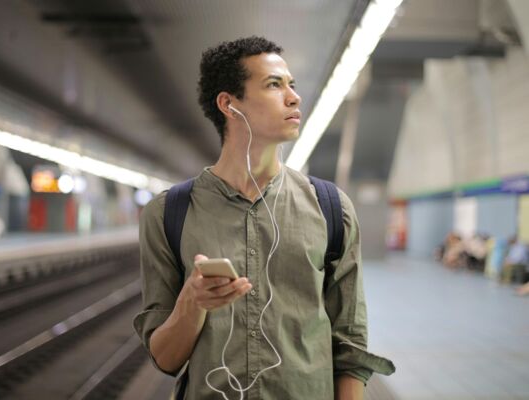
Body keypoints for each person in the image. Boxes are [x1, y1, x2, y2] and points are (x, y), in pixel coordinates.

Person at [133, 36, 394, 400]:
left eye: (292, 85)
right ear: (229, 104)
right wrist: (192, 302)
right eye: (274, 85)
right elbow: (164, 357)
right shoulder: (168, 213)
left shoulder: (331, 207)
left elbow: (350, 345)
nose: (293, 97)